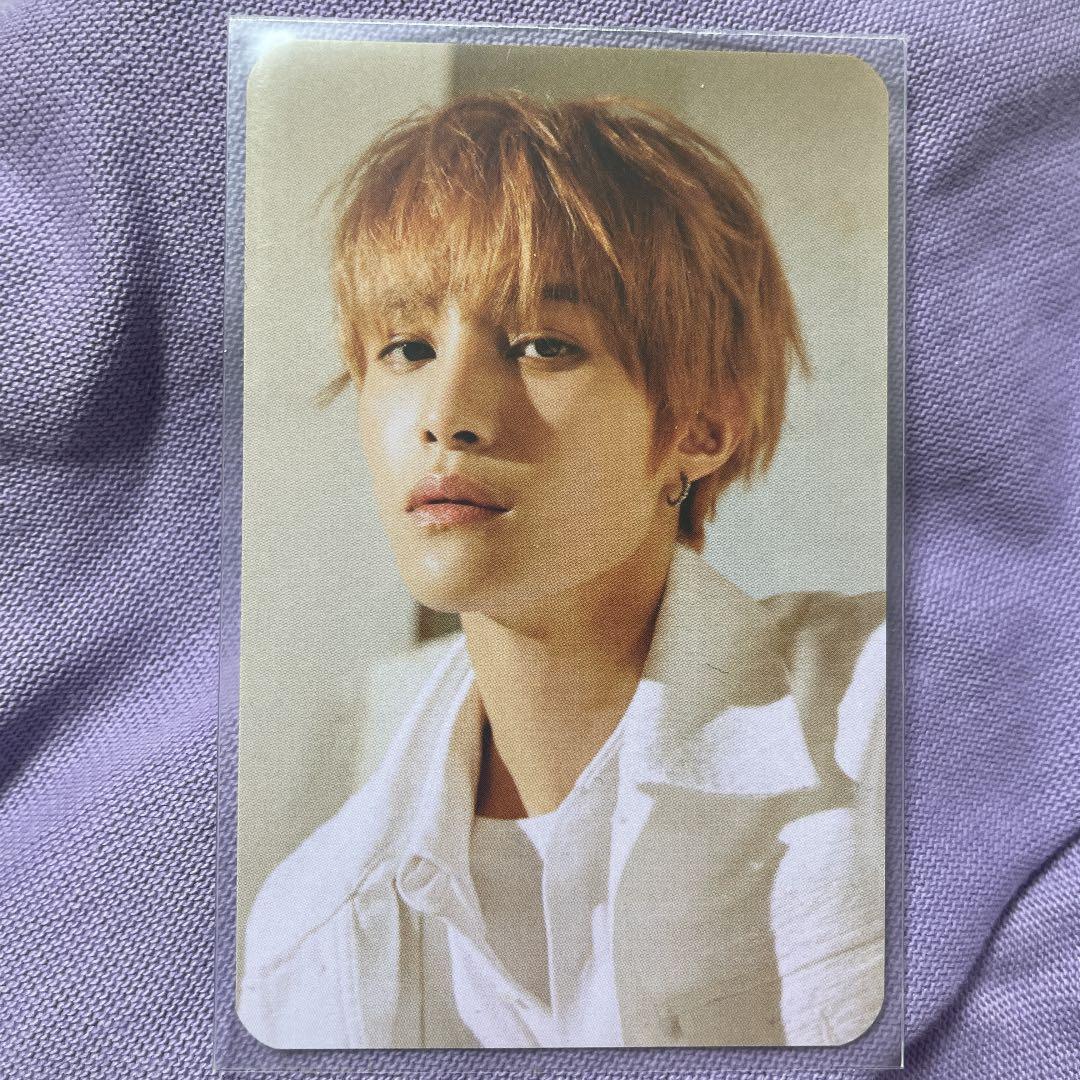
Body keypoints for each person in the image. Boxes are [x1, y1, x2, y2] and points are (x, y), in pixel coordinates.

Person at [238, 90, 887, 1049]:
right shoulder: (304, 937)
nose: (447, 415)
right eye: (407, 349)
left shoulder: (895, 719)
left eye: (543, 345)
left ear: (703, 425)